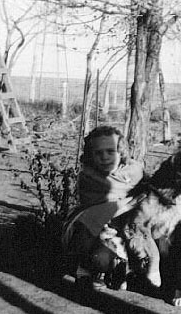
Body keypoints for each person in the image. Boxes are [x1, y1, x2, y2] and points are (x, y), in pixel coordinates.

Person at [61, 125, 144, 291]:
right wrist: (129, 203)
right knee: (100, 257)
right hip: (97, 229)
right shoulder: (89, 176)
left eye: (110, 151)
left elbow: (144, 198)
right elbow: (97, 207)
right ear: (91, 155)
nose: (104, 157)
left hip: (127, 225)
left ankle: (123, 269)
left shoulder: (134, 172)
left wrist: (131, 205)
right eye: (98, 153)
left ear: (121, 152)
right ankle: (87, 270)